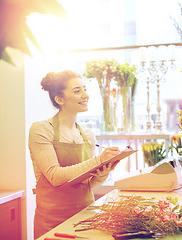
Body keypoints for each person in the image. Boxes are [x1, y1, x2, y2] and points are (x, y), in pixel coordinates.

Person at [29, 70, 120, 239]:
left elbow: (87, 184)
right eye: (77, 91)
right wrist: (98, 159)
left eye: (84, 89)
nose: (85, 95)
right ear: (60, 99)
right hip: (51, 222)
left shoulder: (87, 134)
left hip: (85, 216)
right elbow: (55, 176)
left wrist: (103, 171)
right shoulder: (41, 129)